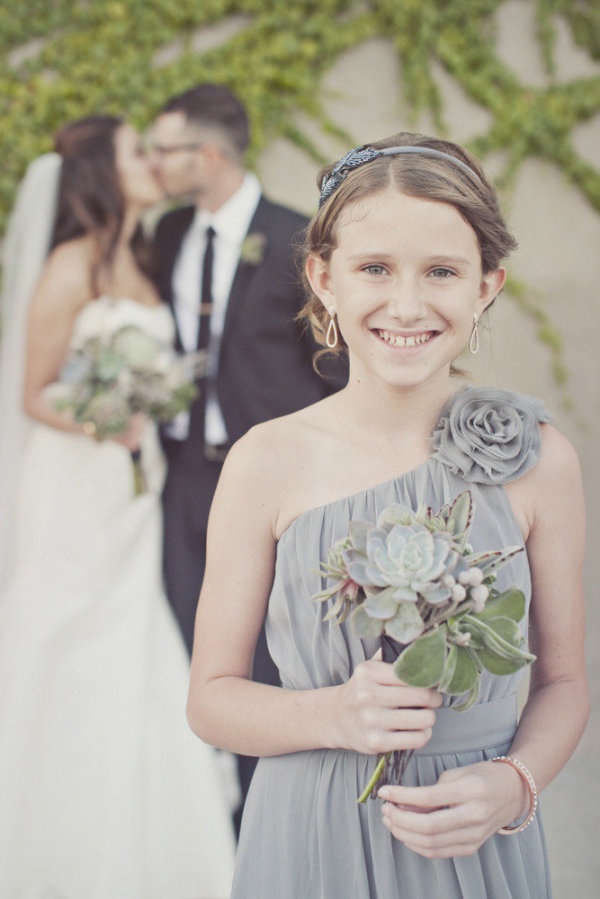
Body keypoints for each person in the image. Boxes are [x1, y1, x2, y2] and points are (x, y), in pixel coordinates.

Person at [186, 131, 589, 898]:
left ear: (487, 285)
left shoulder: (542, 460)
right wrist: (334, 714)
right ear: (322, 278)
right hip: (311, 837)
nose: (407, 304)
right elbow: (212, 697)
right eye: (375, 268)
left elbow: (565, 679)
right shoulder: (265, 461)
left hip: (473, 845)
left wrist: (515, 784)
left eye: (442, 271)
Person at [0, 116, 237, 898]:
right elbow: (32, 394)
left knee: (135, 643)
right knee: (64, 633)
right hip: (75, 485)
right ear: (104, 169)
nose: (153, 162)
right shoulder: (70, 263)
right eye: (139, 151)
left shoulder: (143, 254)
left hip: (135, 493)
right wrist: (114, 417)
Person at [148, 83, 346, 827]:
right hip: (187, 482)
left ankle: (267, 819)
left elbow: (338, 369)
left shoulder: (301, 241)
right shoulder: (166, 235)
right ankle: (200, 815)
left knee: (268, 651)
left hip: (275, 489)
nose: (152, 163)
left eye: (162, 150)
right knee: (187, 645)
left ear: (207, 154)